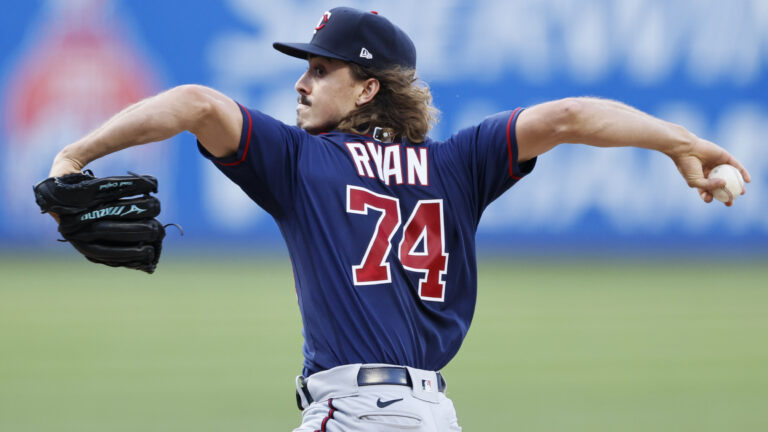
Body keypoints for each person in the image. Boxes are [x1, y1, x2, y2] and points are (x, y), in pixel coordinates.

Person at [46, 6, 750, 432]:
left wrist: (75, 154)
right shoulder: (459, 165)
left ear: (367, 88)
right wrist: (680, 144)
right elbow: (568, 117)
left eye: (322, 70)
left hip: (350, 414)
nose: (301, 81)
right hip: (434, 416)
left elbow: (197, 103)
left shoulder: (299, 163)